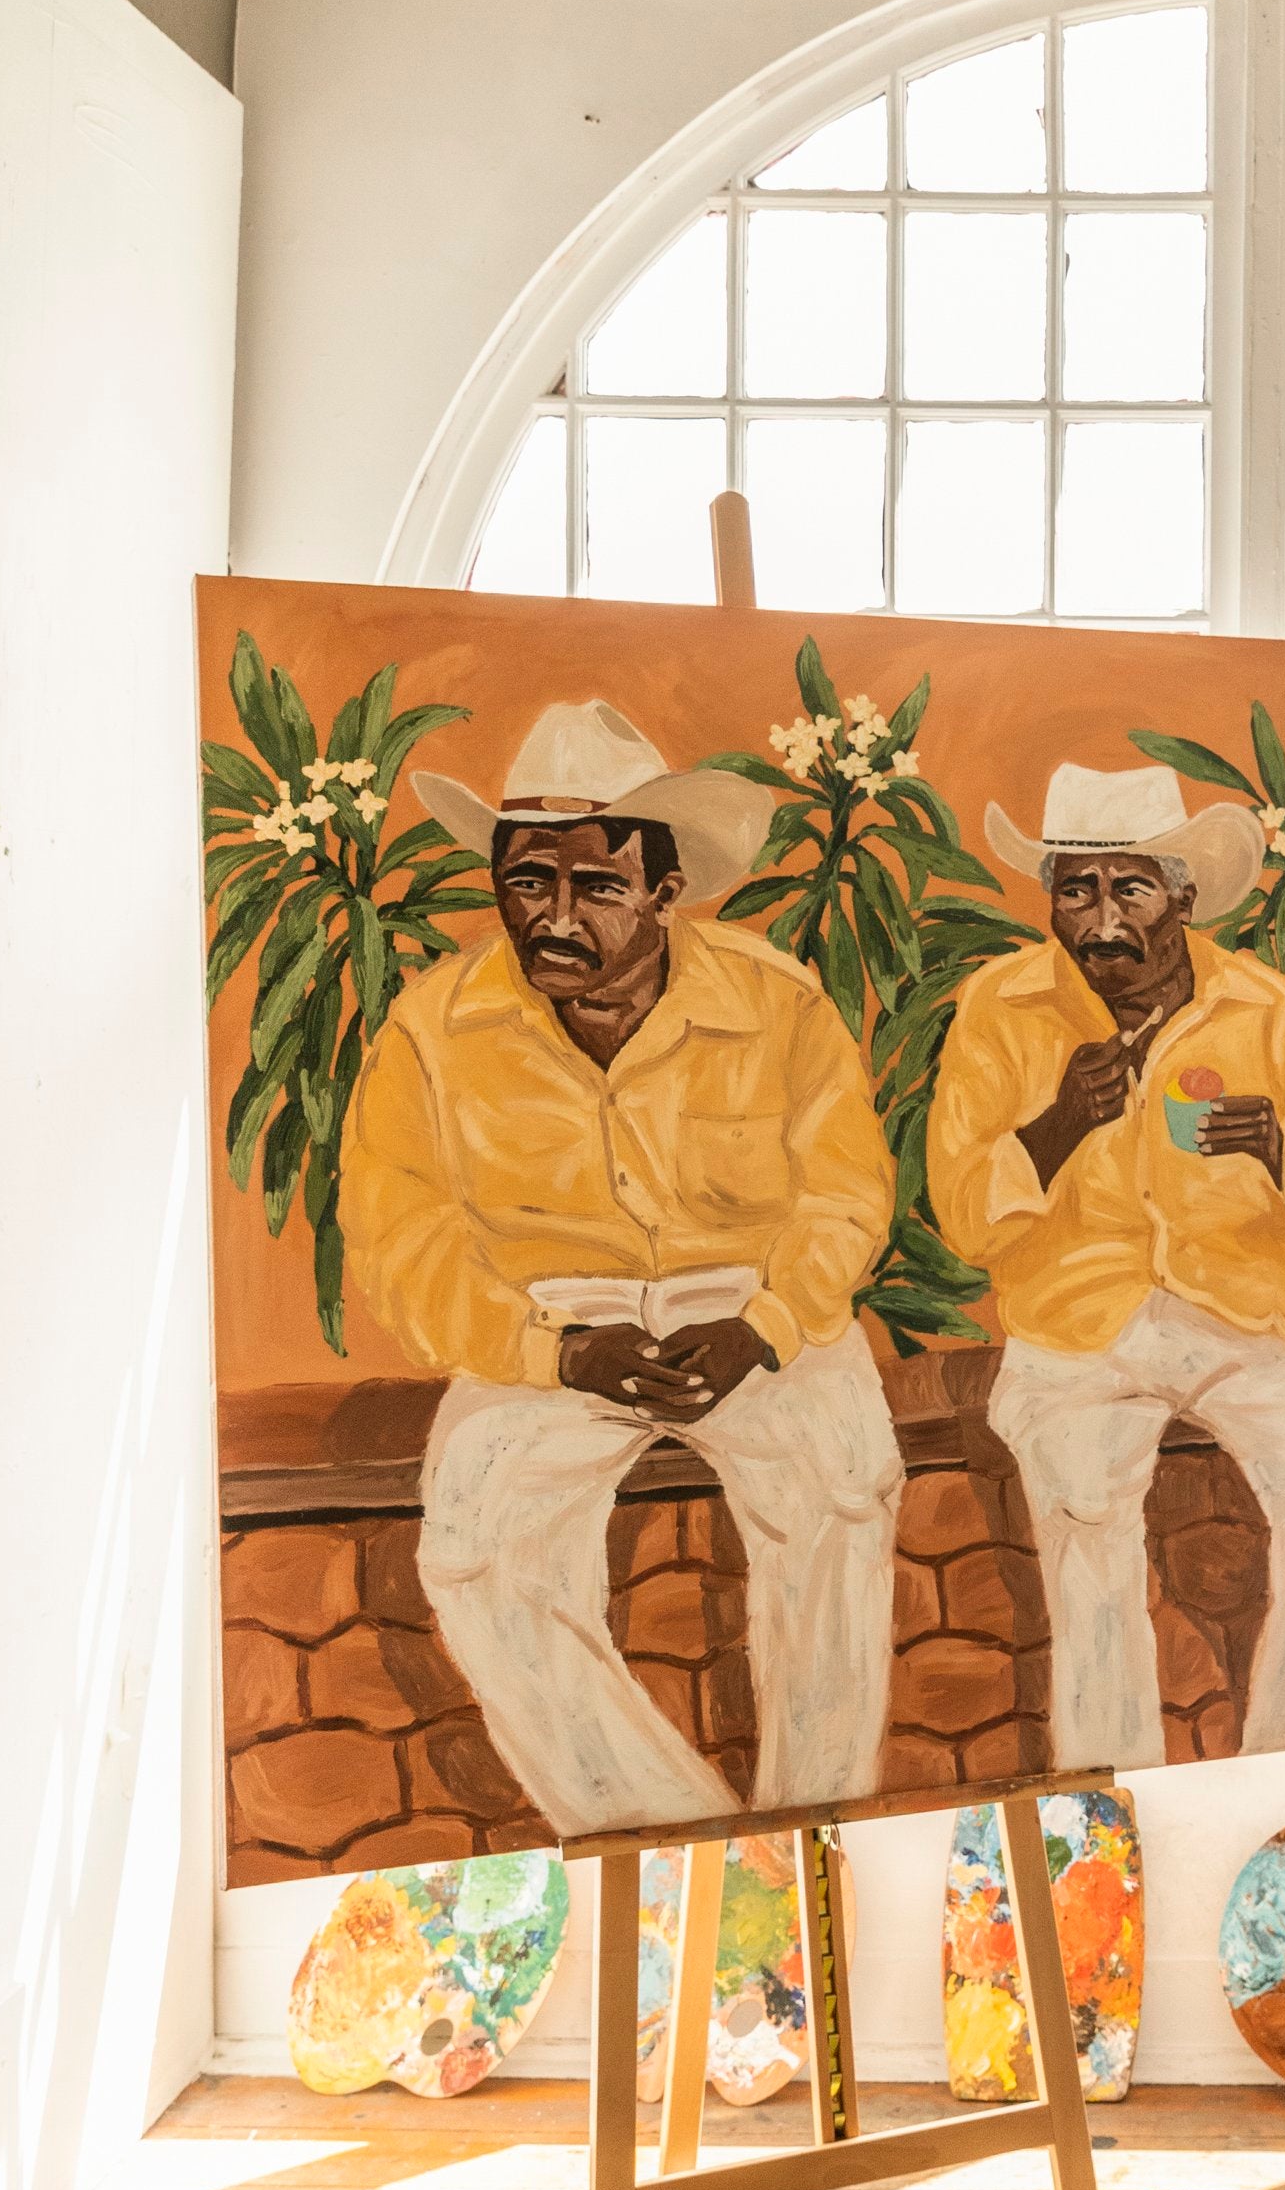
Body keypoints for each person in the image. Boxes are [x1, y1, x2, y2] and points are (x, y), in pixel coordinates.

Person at [343, 700, 903, 1837]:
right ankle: (672, 1835)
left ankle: (820, 1826)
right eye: (526, 881)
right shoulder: (429, 1029)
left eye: (595, 887)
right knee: (475, 1546)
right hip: (546, 1325)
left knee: (845, 1493)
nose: (553, 917)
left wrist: (765, 1326)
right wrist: (554, 1352)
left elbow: (846, 1195)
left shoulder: (777, 1000)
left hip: (751, 1309)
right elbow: (402, 1238)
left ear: (664, 890)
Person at [929, 758, 1285, 1770]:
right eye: (1075, 890)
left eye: (1127, 887)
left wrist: (1279, 1149)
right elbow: (960, 1214)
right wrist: (1053, 1129)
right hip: (1076, 1321)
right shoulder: (1000, 1009)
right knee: (1084, 1522)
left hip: (1256, 1316)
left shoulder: (1269, 1012)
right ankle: (1112, 1781)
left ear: (1180, 895)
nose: (1101, 921)